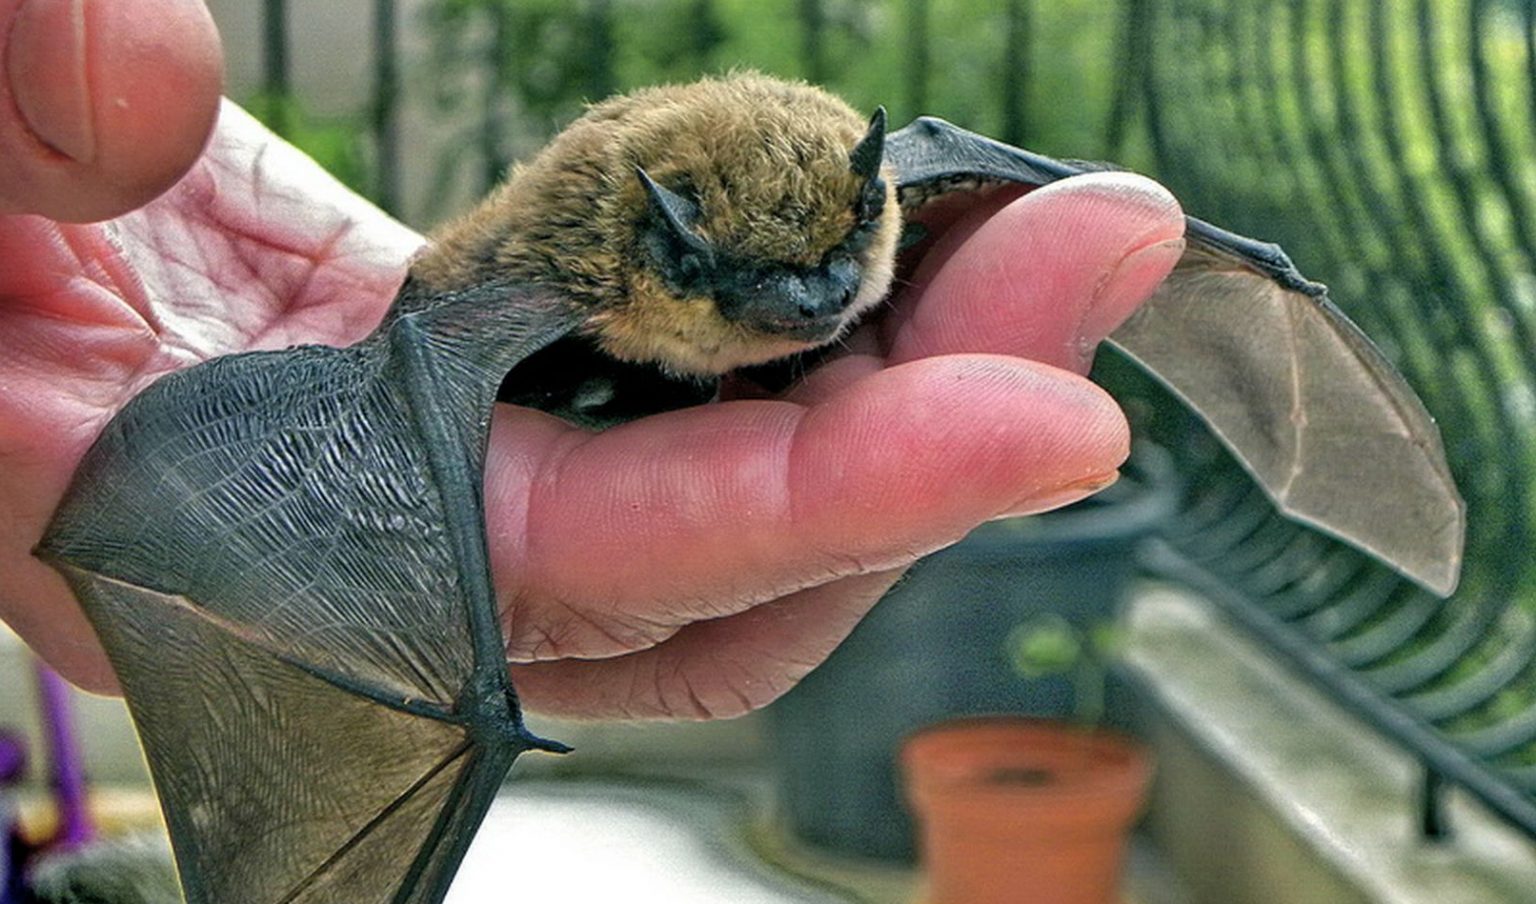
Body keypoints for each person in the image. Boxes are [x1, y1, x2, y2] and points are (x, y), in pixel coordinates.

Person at [0, 0, 1185, 719]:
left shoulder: (875, 181)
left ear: (875, 194)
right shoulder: (560, 275)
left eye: (843, 254)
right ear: (660, 257)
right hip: (521, 330)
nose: (818, 302)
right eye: (753, 287)